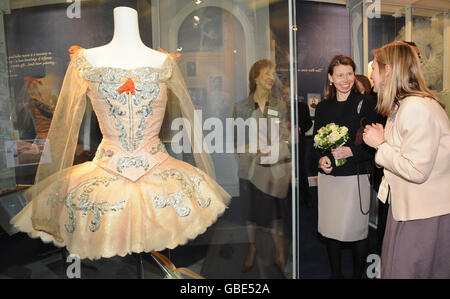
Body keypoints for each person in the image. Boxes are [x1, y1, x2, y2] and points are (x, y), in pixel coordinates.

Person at [363, 41, 450, 279]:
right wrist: (382, 145)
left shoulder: (417, 108)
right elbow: (397, 156)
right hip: (407, 209)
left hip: (423, 215)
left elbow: (416, 170)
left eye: (375, 68)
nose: (371, 73)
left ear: (388, 70)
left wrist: (379, 144)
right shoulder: (401, 107)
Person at [313, 55, 377, 279]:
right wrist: (322, 160)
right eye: (340, 75)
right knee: (331, 230)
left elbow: (376, 145)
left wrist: (352, 151)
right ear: (331, 78)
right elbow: (317, 144)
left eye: (349, 74)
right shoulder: (322, 108)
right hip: (330, 178)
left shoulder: (366, 103)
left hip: (355, 176)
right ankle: (336, 275)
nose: (346, 79)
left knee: (357, 232)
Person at [233, 59, 291, 278]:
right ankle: (252, 248)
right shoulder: (241, 107)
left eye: (273, 74)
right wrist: (252, 149)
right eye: (266, 73)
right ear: (255, 77)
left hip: (273, 168)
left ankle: (278, 255)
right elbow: (238, 141)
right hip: (251, 169)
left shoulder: (279, 105)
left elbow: (284, 137)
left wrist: (280, 143)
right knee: (252, 215)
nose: (271, 77)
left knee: (275, 214)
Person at [282, 83, 313, 207]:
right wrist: (284, 126)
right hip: (282, 144)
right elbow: (272, 122)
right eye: (284, 94)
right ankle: (286, 201)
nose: (286, 96)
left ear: (294, 94)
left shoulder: (303, 107)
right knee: (284, 171)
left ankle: (307, 199)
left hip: (298, 143)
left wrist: (300, 128)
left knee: (300, 170)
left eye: (288, 93)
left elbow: (309, 124)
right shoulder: (278, 107)